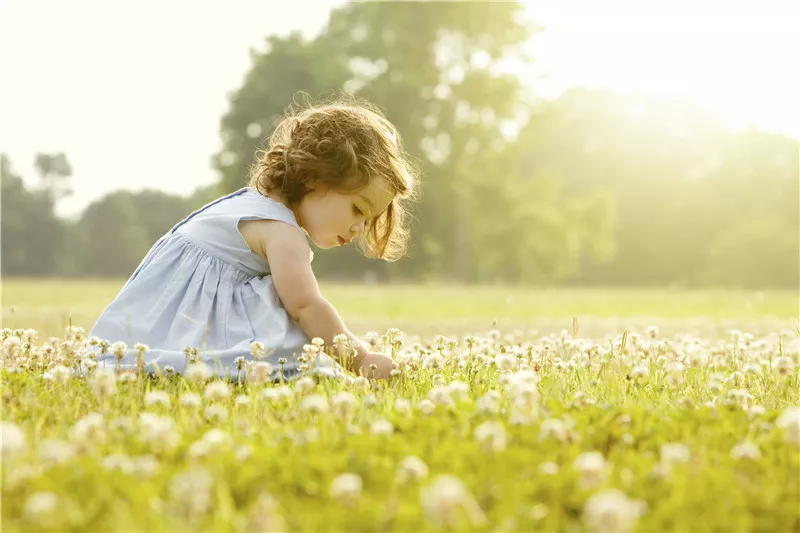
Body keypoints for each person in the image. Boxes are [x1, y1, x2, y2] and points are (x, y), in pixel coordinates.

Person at [89, 98, 418, 382]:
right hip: (190, 325)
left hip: (154, 326)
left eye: (367, 219)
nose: (359, 228)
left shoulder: (251, 203)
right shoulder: (282, 232)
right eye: (357, 208)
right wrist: (359, 359)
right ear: (317, 176)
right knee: (286, 344)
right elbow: (305, 306)